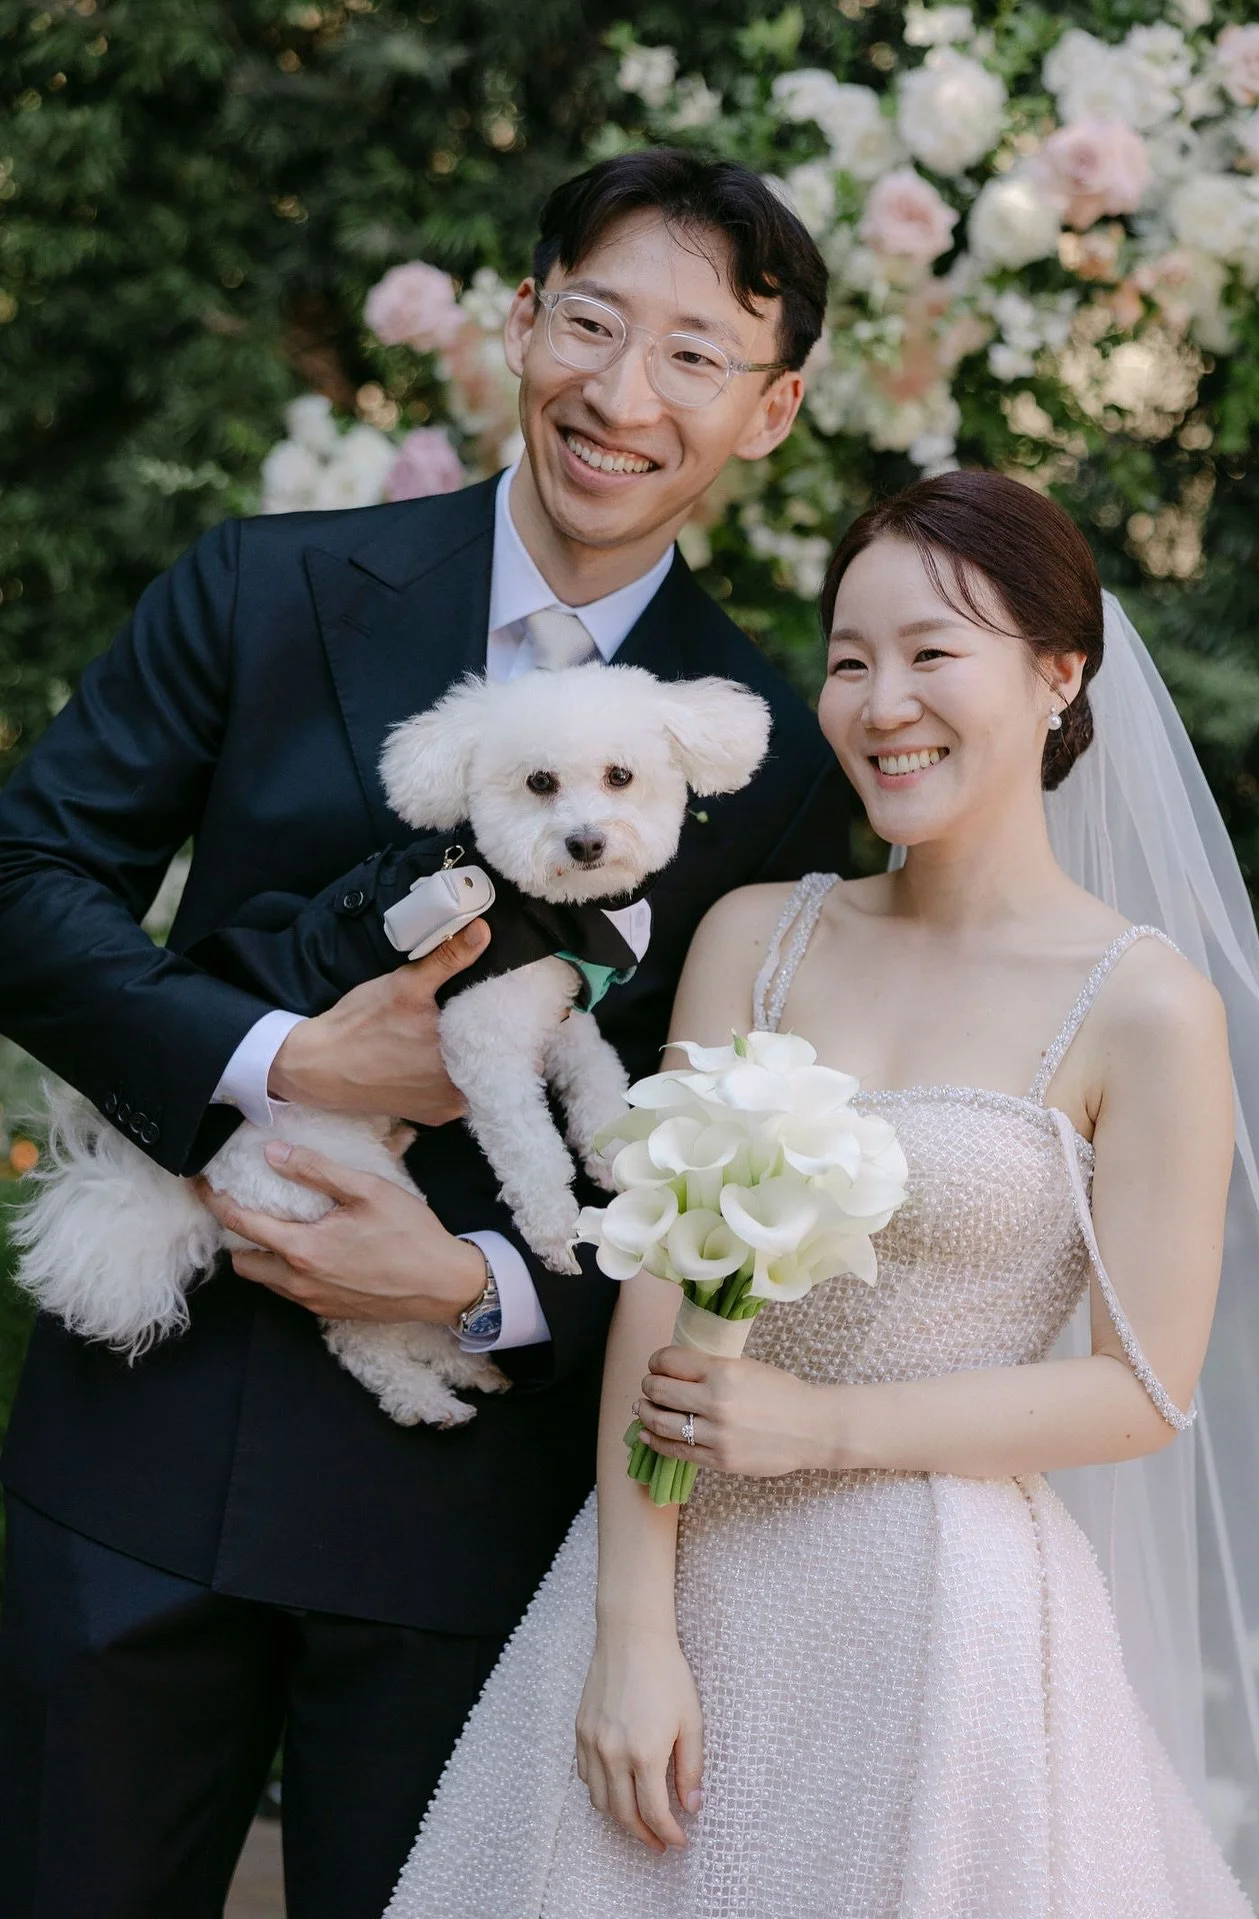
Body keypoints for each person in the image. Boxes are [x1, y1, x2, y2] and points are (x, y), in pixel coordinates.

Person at [385, 470, 1259, 1919]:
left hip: (946, 1621)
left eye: (933, 653)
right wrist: (631, 1631)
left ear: (1060, 674)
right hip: (682, 1578)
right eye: (850, 660)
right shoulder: (756, 933)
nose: (883, 702)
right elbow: (656, 1283)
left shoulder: (1148, 1007)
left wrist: (825, 1424)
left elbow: (1143, 1385)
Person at [0, 149, 852, 1918]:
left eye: (696, 355)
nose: (622, 396)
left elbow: (737, 1193)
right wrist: (283, 1066)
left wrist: (477, 1283)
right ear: (522, 321)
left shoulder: (765, 755)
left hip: (474, 1532)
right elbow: (25, 875)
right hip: (144, 1459)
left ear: (769, 412)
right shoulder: (263, 585)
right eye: (594, 323)